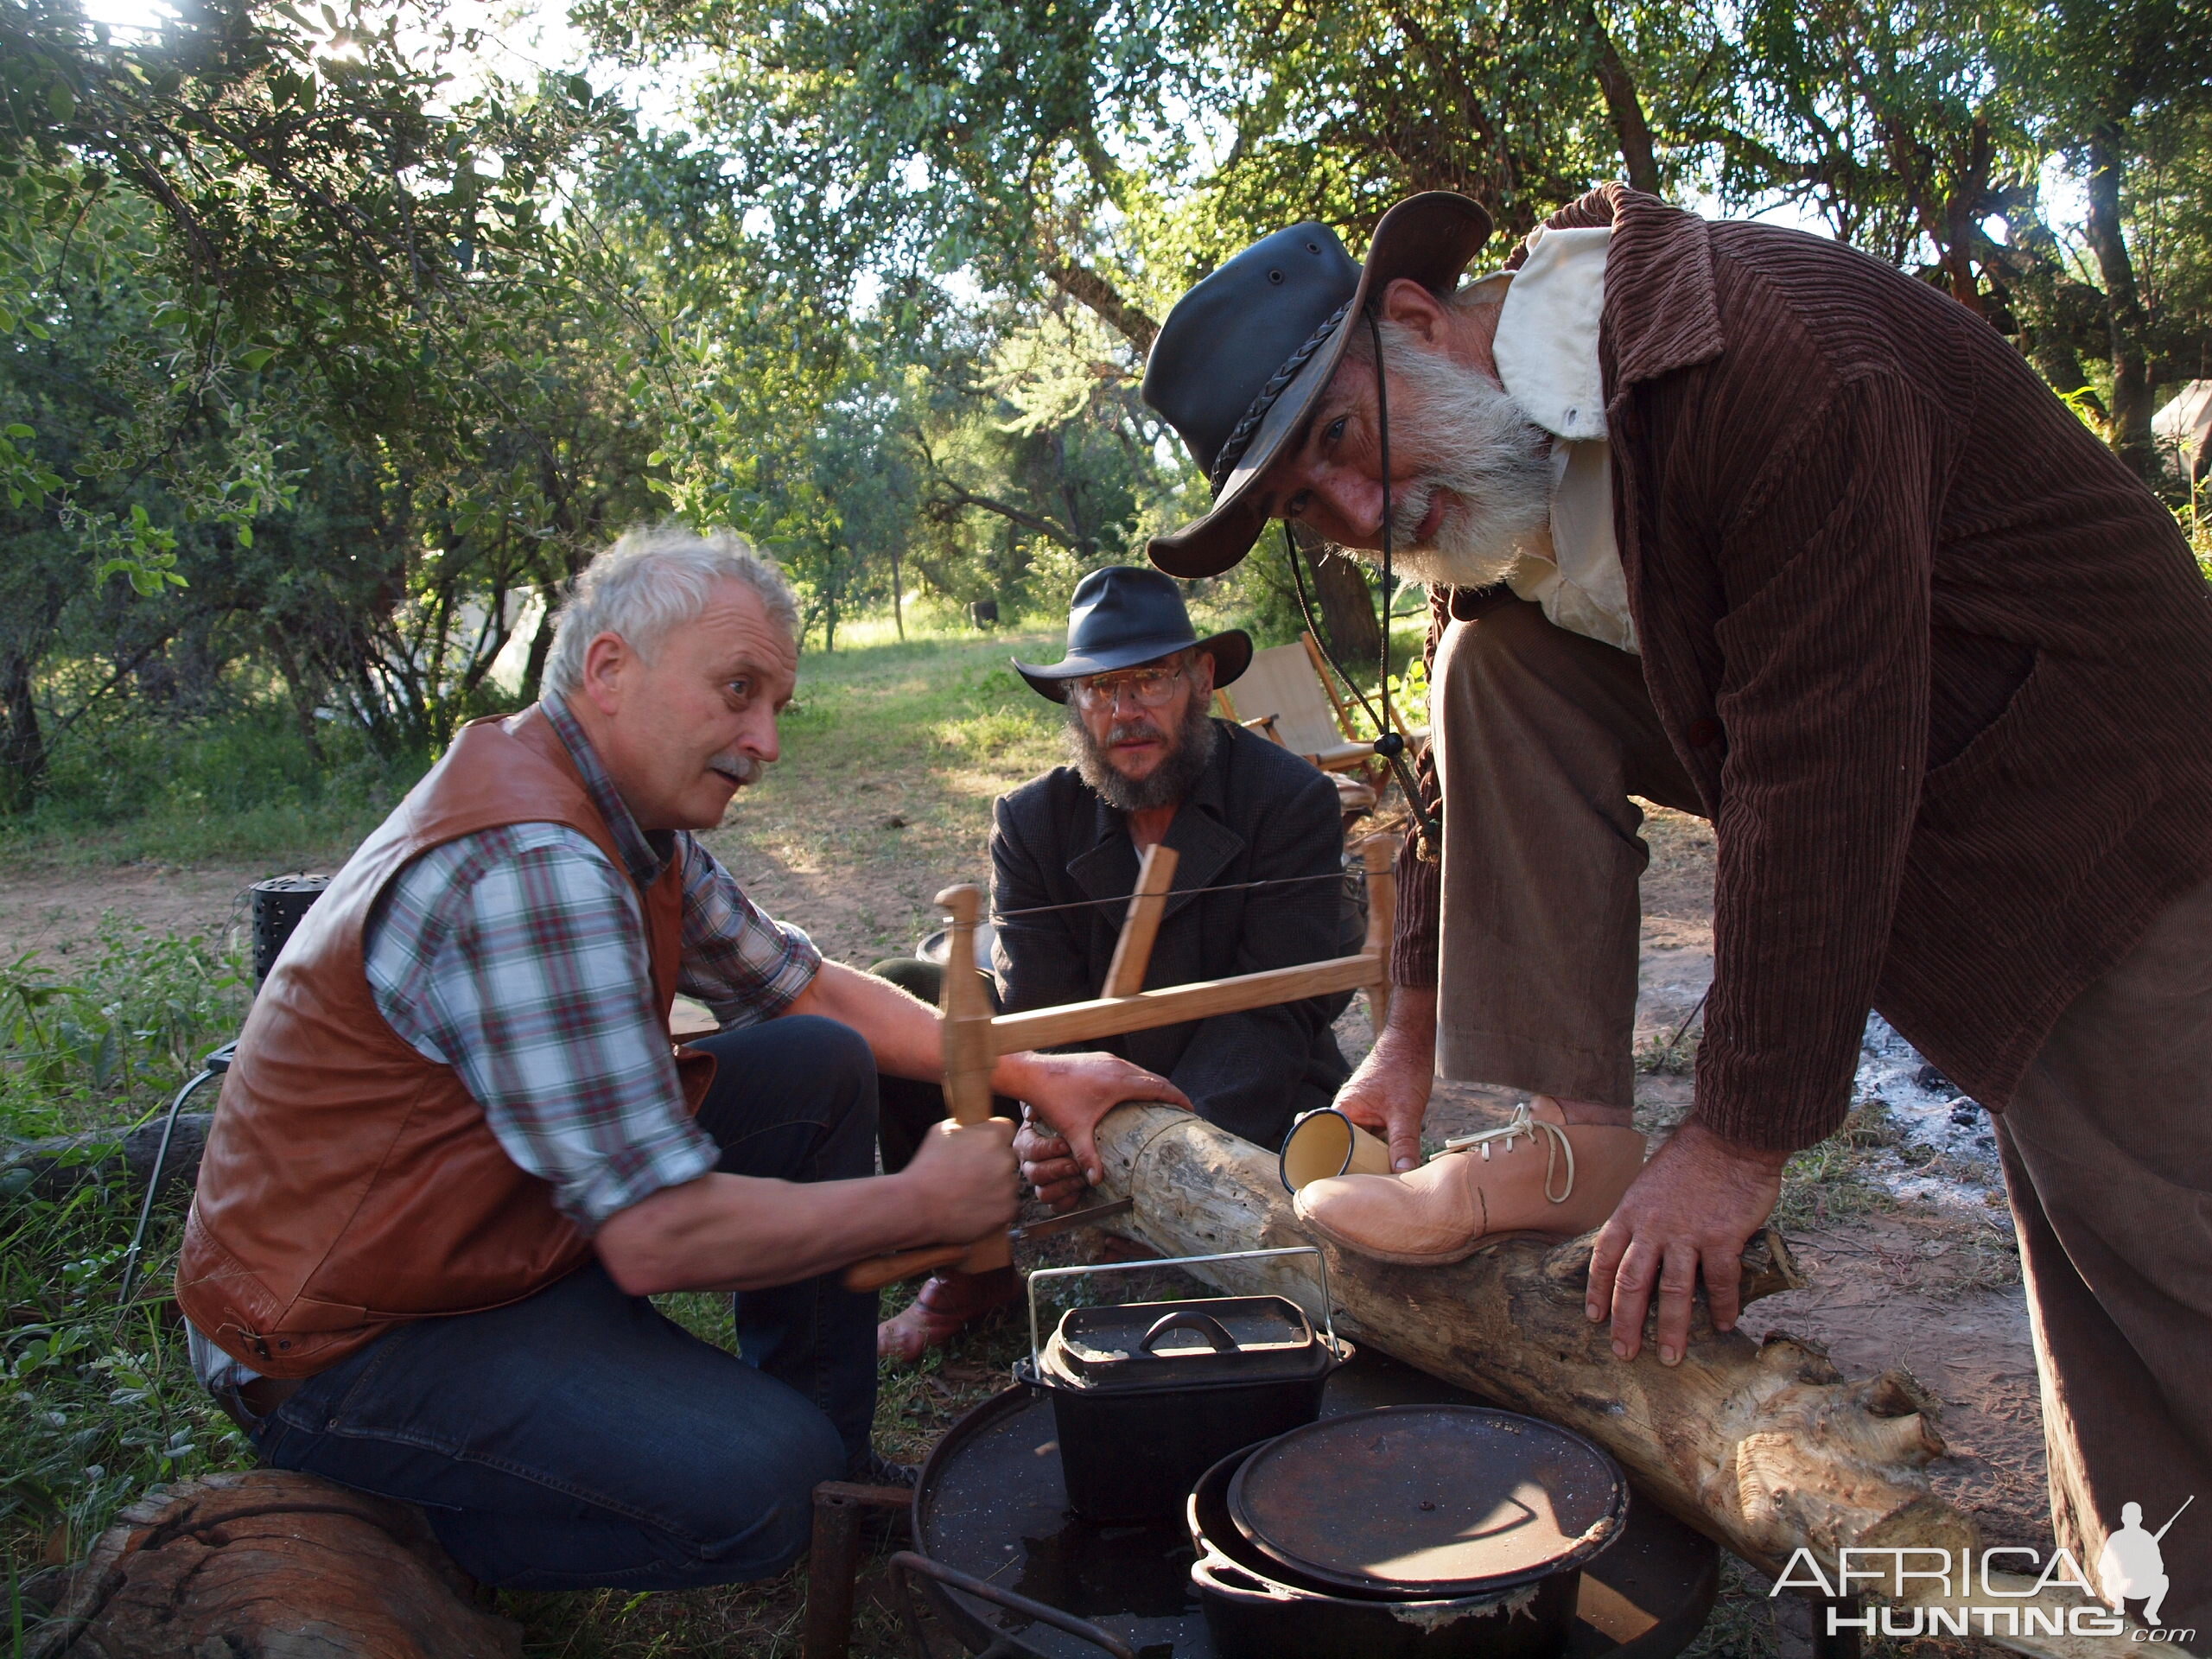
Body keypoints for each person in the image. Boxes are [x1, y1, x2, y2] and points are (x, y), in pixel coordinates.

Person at [1138, 185, 2212, 1637]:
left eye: (1336, 442)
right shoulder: (1527, 474)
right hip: (1960, 845)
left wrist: (1734, 1140)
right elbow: (1489, 759)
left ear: (1414, 322)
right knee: (1490, 673)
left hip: (2132, 822)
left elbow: (1818, 766)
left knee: (2173, 1262)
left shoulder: (1766, 368)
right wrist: (1415, 1023)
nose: (1356, 514)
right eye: (1302, 512)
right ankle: (2147, 1618)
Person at [175, 528, 1179, 1592]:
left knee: (813, 1059)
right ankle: (411, 1536)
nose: (767, 741)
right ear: (609, 670)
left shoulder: (616, 810)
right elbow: (659, 1236)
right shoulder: (534, 864)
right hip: (348, 1339)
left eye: (775, 706)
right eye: (738, 690)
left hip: (484, 1236)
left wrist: (1037, 1073)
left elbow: (806, 986)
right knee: (766, 1488)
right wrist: (922, 1207)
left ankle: (832, 1463)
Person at [871, 564, 1357, 1359]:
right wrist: (1051, 1120)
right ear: (1074, 704)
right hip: (1087, 1082)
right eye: (1099, 690)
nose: (1125, 714)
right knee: (910, 996)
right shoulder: (1031, 821)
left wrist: (1138, 1147)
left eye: (1150, 680)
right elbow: (1040, 1012)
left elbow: (1275, 1012)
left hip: (1244, 1081)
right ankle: (974, 1263)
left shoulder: (1288, 800)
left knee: (1266, 1205)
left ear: (1201, 679)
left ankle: (1147, 1226)